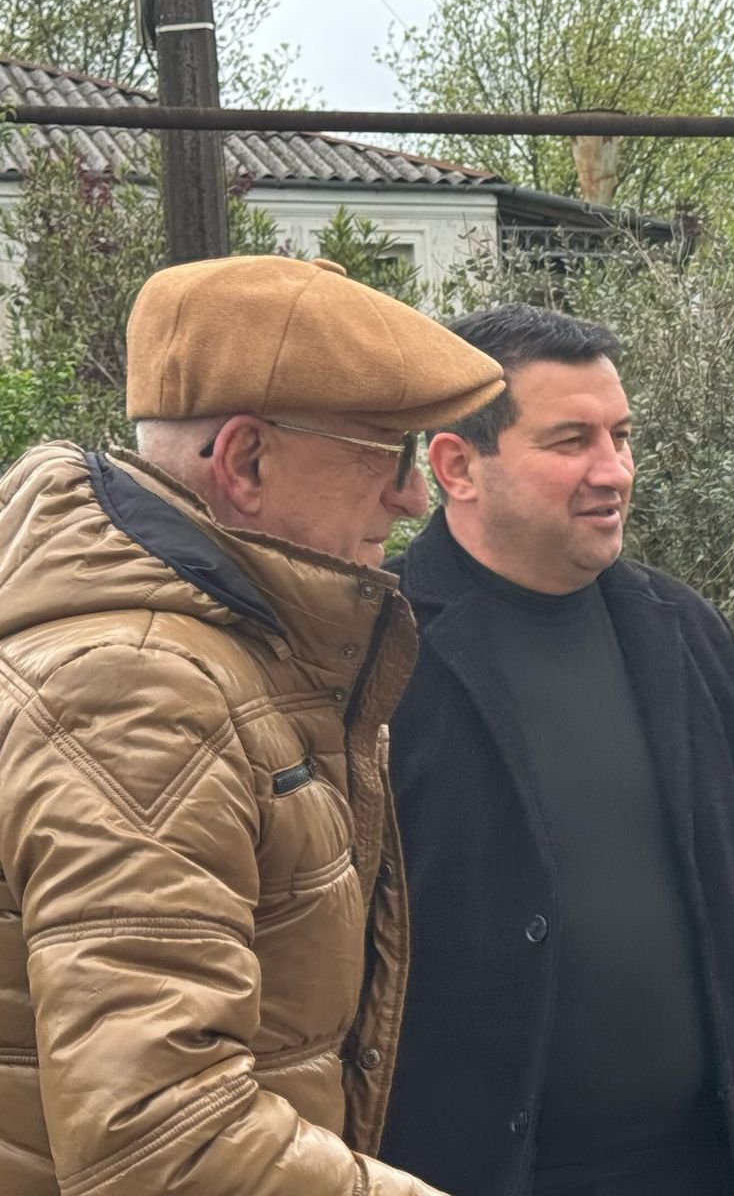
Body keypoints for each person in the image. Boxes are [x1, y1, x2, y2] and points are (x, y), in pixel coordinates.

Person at [0, 254, 505, 1195]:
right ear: (246, 461)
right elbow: (161, 1143)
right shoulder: (139, 689)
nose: (411, 498)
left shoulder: (223, 656)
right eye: (389, 453)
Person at [377, 305, 734, 1196]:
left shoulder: (679, 631)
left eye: (621, 437)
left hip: (698, 1163)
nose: (613, 470)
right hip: (472, 1173)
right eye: (571, 441)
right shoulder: (379, 648)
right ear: (457, 465)